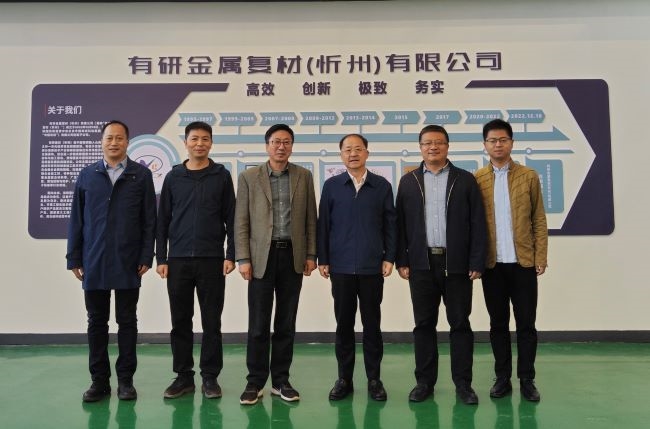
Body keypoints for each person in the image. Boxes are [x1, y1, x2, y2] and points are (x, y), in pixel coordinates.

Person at [396, 124, 486, 405]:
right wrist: (402, 260)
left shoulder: (465, 180)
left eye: (438, 142)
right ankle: (424, 383)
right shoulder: (409, 182)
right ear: (420, 147)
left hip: (457, 264)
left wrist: (476, 260)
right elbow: (400, 225)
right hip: (421, 264)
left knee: (460, 324)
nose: (433, 147)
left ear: (447, 146)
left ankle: (464, 384)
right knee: (424, 324)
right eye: (427, 143)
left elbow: (478, 223)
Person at [66, 120, 156, 402]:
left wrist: (146, 255)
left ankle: (126, 381)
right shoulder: (87, 175)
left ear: (127, 142)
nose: (114, 142)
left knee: (127, 321)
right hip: (94, 259)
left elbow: (149, 221)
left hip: (129, 259)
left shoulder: (140, 175)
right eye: (109, 138)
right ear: (102, 141)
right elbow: (76, 220)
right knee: (96, 322)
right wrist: (74, 257)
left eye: (119, 138)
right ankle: (99, 381)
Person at [234, 124, 317, 405]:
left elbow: (310, 219)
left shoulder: (303, 176)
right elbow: (241, 220)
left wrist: (311, 255)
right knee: (258, 324)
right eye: (276, 142)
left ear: (292, 146)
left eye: (286, 142)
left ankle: (281, 381)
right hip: (261, 257)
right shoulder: (249, 177)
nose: (281, 146)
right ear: (267, 145)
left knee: (286, 322)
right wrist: (243, 258)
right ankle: (255, 381)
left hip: (292, 255)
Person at [155, 121, 236, 400]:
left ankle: (210, 377)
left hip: (212, 260)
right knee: (180, 320)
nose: (199, 143)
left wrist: (231, 254)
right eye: (194, 139)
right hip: (177, 260)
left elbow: (231, 218)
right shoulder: (174, 177)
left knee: (212, 321)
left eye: (205, 139)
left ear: (211, 143)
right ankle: (183, 376)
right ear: (186, 142)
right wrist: (161, 257)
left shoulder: (221, 176)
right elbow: (163, 220)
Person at [317, 134, 397, 402]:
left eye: (358, 149)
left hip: (372, 267)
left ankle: (374, 379)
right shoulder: (332, 186)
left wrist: (389, 257)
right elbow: (323, 224)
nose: (353, 154)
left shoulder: (382, 186)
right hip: (340, 267)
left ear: (367, 153)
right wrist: (323, 258)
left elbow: (390, 225)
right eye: (348, 149)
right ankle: (344, 379)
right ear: (341, 155)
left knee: (372, 324)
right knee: (344, 325)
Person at [475, 119, 548, 402]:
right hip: (492, 265)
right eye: (492, 140)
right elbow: (473, 224)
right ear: (485, 145)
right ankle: (502, 377)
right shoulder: (478, 179)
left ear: (511, 143)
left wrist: (540, 255)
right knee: (498, 324)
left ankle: (527, 379)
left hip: (523, 263)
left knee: (526, 324)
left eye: (503, 140)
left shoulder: (529, 176)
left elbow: (538, 219)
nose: (498, 145)